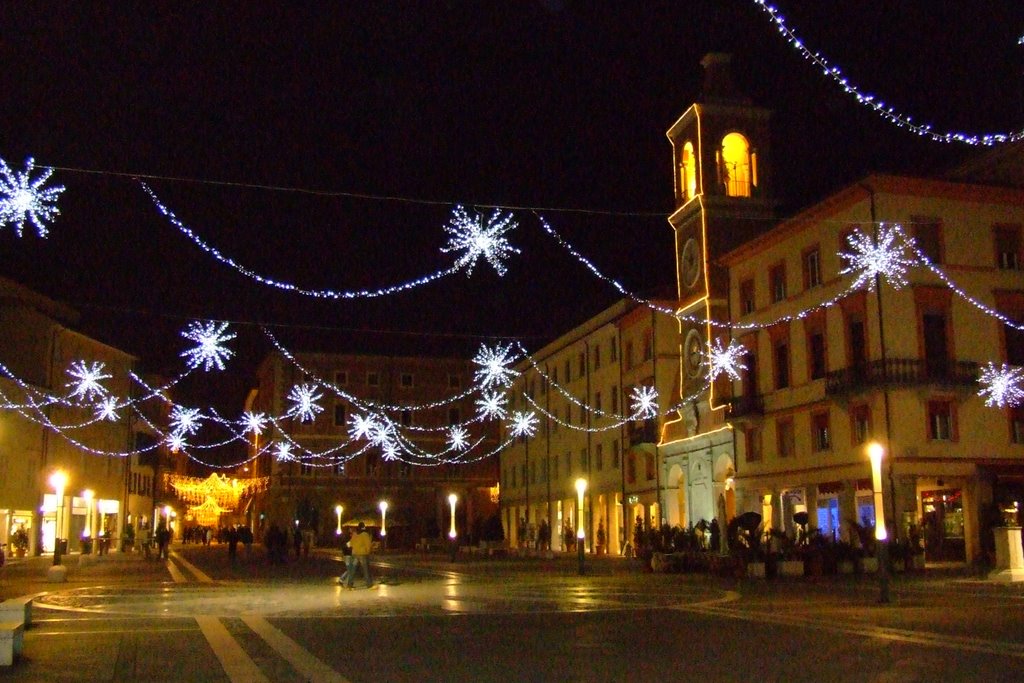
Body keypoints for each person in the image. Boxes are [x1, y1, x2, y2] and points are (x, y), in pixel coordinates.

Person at [345, 522, 375, 589]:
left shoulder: (355, 534)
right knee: (365, 569)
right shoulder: (365, 534)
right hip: (362, 554)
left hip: (355, 553)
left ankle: (349, 585)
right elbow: (368, 545)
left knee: (353, 570)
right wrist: (368, 552)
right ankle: (369, 585)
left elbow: (350, 544)